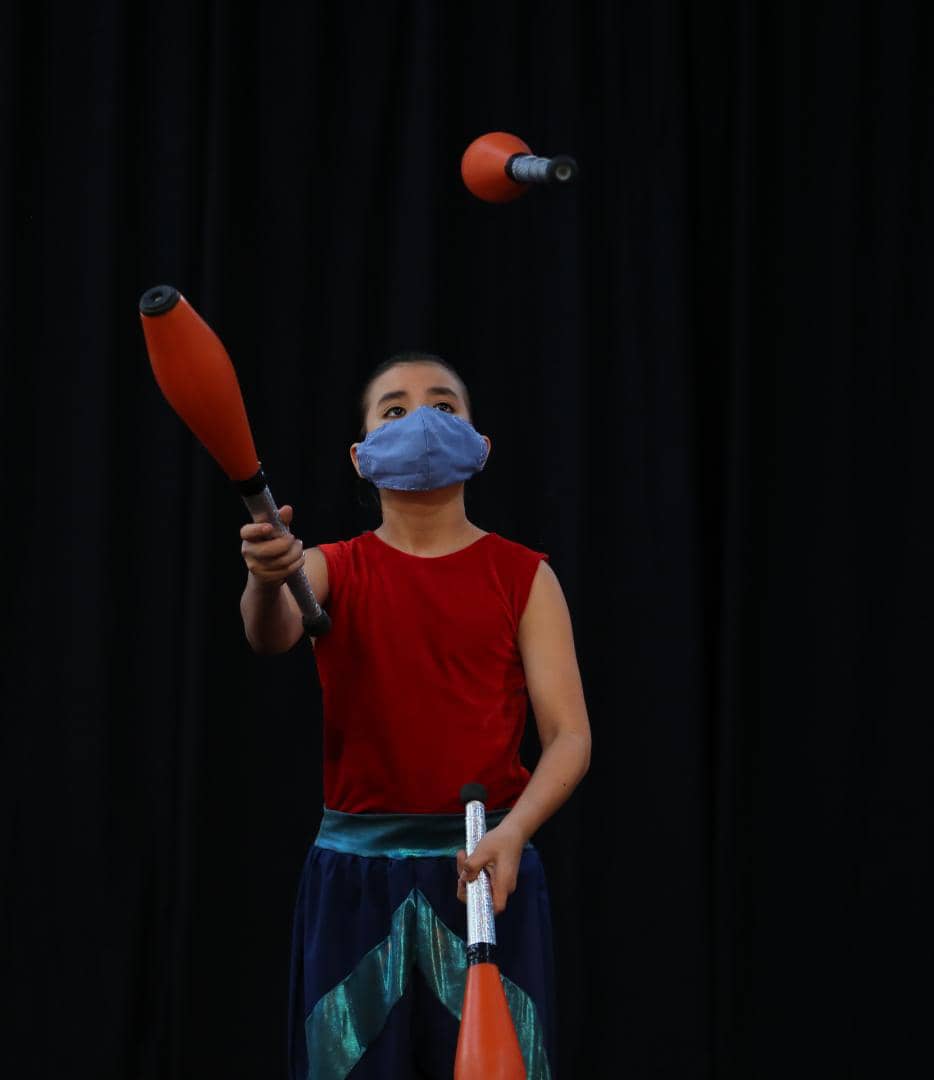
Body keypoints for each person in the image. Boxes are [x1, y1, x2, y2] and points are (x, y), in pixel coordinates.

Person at [239, 354, 590, 1079]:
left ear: (480, 445)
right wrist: (266, 580)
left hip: (487, 875)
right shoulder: (331, 567)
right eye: (394, 410)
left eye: (444, 406)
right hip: (354, 882)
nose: (422, 421)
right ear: (360, 456)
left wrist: (515, 832)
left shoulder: (525, 576)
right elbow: (269, 631)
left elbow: (569, 736)